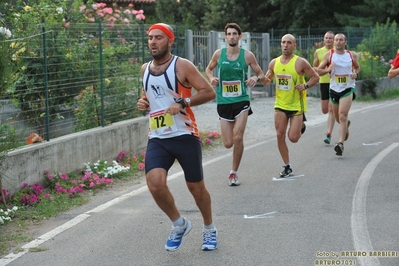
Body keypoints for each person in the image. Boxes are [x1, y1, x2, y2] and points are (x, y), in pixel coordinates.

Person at [136, 23, 217, 252]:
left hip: (185, 135)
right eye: (150, 38)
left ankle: (210, 228)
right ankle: (179, 223)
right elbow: (148, 97)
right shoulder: (144, 69)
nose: (153, 42)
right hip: (158, 137)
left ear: (170, 41)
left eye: (159, 38)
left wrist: (184, 102)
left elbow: (209, 92)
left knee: (196, 188)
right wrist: (143, 103)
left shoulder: (182, 66)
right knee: (154, 183)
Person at [205, 22, 267, 186]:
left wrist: (254, 77)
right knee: (228, 143)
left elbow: (260, 73)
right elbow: (208, 69)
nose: (232, 36)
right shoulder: (219, 54)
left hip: (241, 100)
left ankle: (233, 173)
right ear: (225, 37)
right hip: (223, 100)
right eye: (229, 34)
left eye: (234, 34)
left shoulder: (247, 55)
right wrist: (211, 78)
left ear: (239, 37)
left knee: (238, 137)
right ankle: (233, 165)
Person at [263, 34, 319, 177]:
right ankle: (287, 166)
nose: (285, 45)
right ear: (280, 45)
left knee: (293, 138)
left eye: (289, 43)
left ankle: (300, 126)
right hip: (280, 104)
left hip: (296, 105)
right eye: (283, 42)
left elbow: (315, 77)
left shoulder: (300, 62)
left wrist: (305, 85)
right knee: (279, 135)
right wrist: (259, 78)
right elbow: (267, 80)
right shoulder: (274, 63)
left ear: (294, 46)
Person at [317, 33, 360, 156]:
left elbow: (357, 68)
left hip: (347, 88)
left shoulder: (351, 55)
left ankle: (340, 144)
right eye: (336, 40)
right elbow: (319, 71)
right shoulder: (329, 55)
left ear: (345, 42)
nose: (338, 42)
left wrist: (355, 73)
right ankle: (345, 126)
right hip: (334, 89)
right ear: (334, 42)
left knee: (342, 116)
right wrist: (327, 69)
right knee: (337, 118)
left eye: (341, 40)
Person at [313, 31, 336, 144]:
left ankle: (329, 134)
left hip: (335, 83)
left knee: (331, 109)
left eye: (330, 38)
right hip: (323, 82)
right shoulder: (318, 52)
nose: (328, 40)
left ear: (334, 40)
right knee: (325, 110)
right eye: (326, 38)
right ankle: (343, 119)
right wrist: (324, 70)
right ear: (323, 39)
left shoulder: (338, 51)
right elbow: (315, 67)